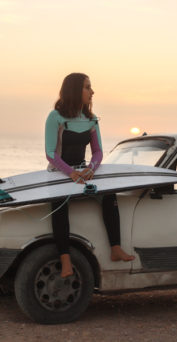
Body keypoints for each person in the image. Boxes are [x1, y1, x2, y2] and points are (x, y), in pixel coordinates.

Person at [45, 73, 134, 278]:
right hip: (59, 173)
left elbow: (98, 152)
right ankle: (65, 261)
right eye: (87, 87)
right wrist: (71, 172)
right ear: (75, 90)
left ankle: (115, 248)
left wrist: (90, 169)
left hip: (83, 172)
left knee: (109, 195)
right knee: (59, 206)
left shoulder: (91, 120)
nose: (92, 92)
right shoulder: (55, 117)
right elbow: (50, 153)